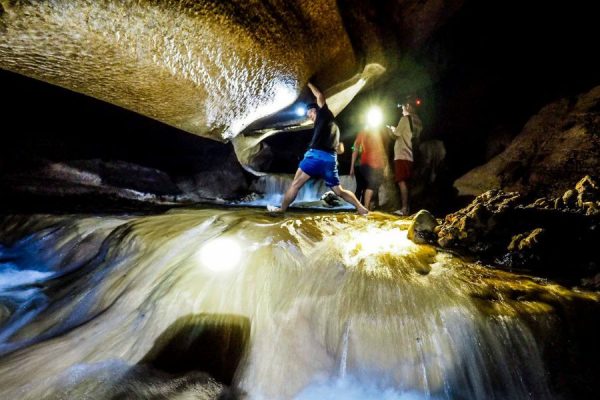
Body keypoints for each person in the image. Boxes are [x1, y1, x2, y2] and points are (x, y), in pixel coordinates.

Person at [271, 82, 368, 215]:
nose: (309, 116)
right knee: (338, 191)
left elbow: (320, 96)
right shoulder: (333, 125)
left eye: (309, 113)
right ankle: (361, 208)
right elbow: (340, 149)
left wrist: (309, 83)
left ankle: (281, 209)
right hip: (330, 159)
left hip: (316, 156)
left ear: (315, 110)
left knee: (296, 184)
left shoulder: (324, 114)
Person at [387, 101, 422, 215]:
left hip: (401, 155)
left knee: (401, 182)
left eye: (402, 106)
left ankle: (404, 209)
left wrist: (390, 130)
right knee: (407, 183)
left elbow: (395, 135)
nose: (402, 109)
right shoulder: (417, 121)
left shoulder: (405, 119)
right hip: (410, 155)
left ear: (408, 106)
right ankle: (408, 208)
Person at [350, 127, 386, 210]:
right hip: (361, 164)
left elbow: (381, 149)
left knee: (371, 186)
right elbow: (354, 148)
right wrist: (352, 166)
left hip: (373, 164)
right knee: (362, 187)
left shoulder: (377, 135)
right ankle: (359, 207)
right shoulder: (363, 134)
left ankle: (369, 207)